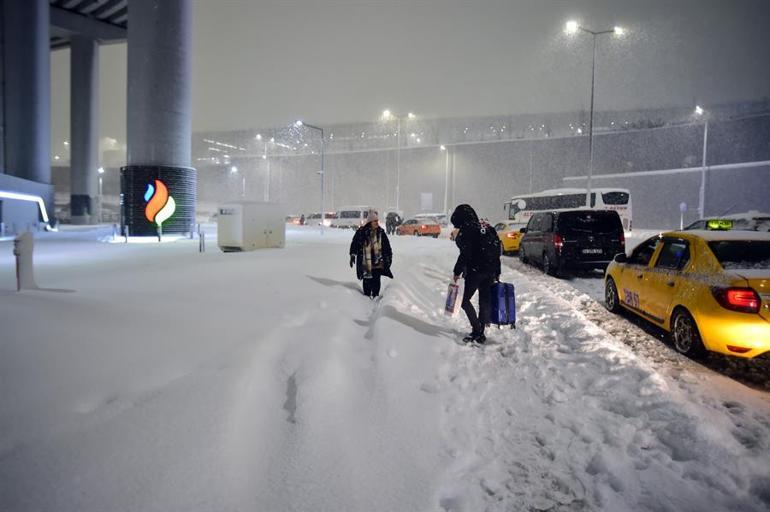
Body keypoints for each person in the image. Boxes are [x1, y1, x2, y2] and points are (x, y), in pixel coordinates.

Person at [450, 204, 501, 344]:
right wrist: (497, 271)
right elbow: (497, 251)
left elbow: (465, 253)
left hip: (475, 271)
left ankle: (477, 330)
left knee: (464, 300)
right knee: (484, 300)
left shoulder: (468, 229)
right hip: (490, 271)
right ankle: (481, 332)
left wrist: (456, 271)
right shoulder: (486, 227)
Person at [349, 209, 393, 298]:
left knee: (376, 285)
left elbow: (387, 247)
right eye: (375, 221)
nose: (377, 222)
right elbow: (355, 244)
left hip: (377, 264)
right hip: (366, 265)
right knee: (367, 288)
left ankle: (375, 298)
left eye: (377, 221)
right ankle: (366, 302)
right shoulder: (361, 232)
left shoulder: (381, 233)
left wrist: (388, 258)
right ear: (370, 222)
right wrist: (352, 254)